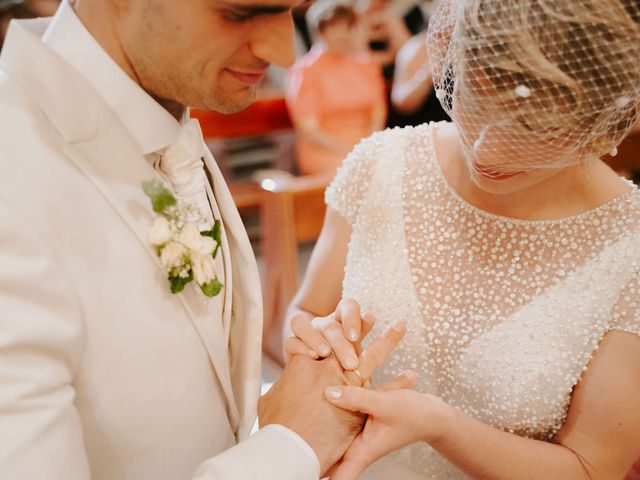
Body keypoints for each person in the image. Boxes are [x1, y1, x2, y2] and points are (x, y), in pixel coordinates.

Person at [0, 1, 407, 479]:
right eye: (241, 12)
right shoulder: (15, 179)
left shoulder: (157, 108)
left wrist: (281, 409)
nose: (284, 52)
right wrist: (292, 444)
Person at [285, 0, 640, 478]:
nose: (487, 148)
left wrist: (442, 427)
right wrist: (317, 344)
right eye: (477, 96)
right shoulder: (380, 165)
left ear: (600, 118)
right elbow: (305, 312)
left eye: (534, 127)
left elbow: (592, 467)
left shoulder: (628, 243)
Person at [285, 0, 386, 175]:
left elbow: (377, 116)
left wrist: (368, 146)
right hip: (326, 150)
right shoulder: (305, 71)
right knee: (352, 173)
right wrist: (350, 150)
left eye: (348, 27)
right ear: (320, 31)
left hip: (367, 145)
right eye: (335, 27)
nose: (344, 34)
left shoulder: (367, 65)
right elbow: (310, 131)